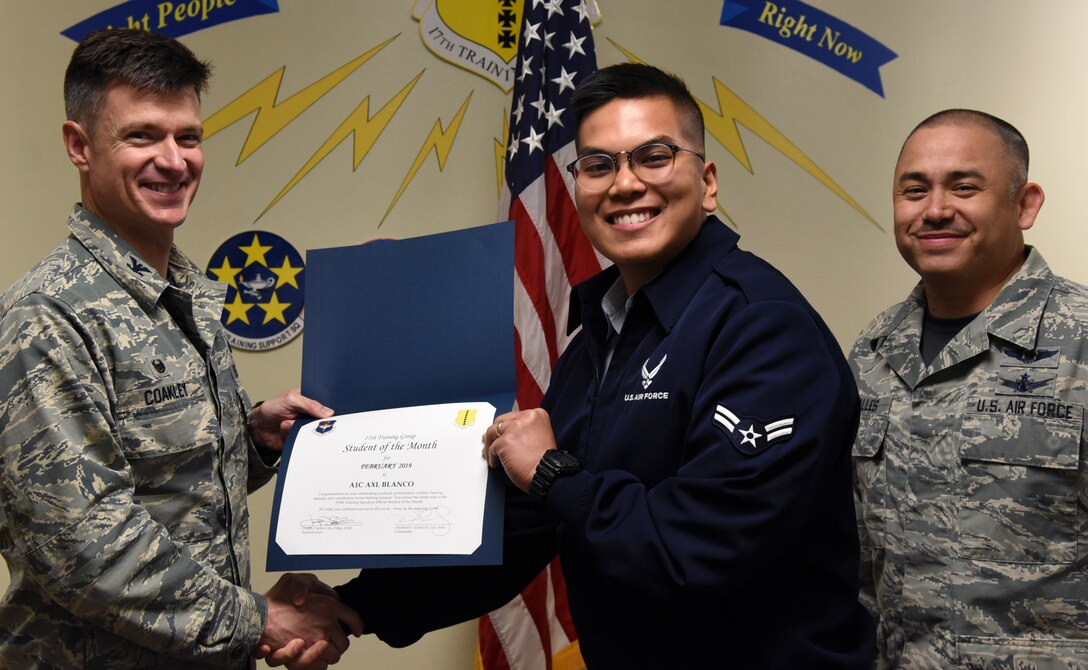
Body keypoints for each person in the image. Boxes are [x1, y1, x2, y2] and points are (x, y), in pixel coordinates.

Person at [262, 62, 874, 667]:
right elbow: (530, 524)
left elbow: (695, 548)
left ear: (708, 181)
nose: (625, 184)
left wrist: (552, 472)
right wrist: (354, 607)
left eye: (654, 156)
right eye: (599, 165)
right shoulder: (603, 331)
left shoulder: (763, 326)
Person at [0, 29, 361, 669]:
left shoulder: (186, 294)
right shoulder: (48, 315)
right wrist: (261, 619)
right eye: (141, 136)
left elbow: (168, 481)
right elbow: (86, 545)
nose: (173, 160)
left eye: (187, 137)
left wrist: (253, 440)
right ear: (78, 146)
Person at [851, 109, 1088, 667]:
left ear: (1025, 204)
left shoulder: (1080, 342)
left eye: (964, 187)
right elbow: (861, 558)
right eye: (914, 190)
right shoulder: (874, 350)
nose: (935, 210)